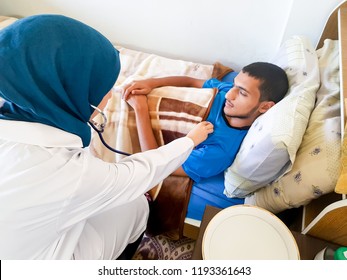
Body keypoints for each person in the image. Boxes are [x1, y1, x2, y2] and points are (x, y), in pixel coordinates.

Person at [0, 14, 213, 260]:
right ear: (75, 93)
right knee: (136, 205)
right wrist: (190, 140)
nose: (111, 94)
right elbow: (138, 173)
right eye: (104, 87)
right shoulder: (71, 173)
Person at [121, 62, 289, 221]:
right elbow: (191, 81)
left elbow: (156, 162)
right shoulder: (226, 91)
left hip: (132, 113)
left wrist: (140, 108)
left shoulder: (220, 152)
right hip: (142, 94)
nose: (230, 95)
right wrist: (151, 83)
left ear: (265, 107)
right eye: (235, 85)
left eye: (243, 93)